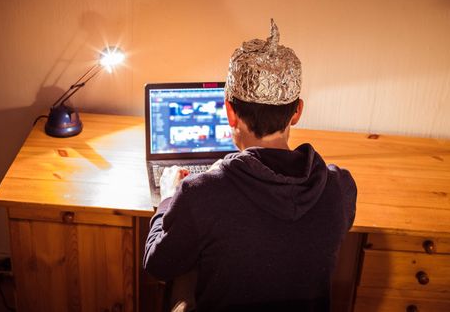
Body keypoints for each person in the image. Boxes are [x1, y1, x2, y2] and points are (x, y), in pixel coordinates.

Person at [144, 19, 357, 312]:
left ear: (229, 112)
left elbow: (157, 264)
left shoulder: (201, 194)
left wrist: (168, 198)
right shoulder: (339, 187)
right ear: (297, 112)